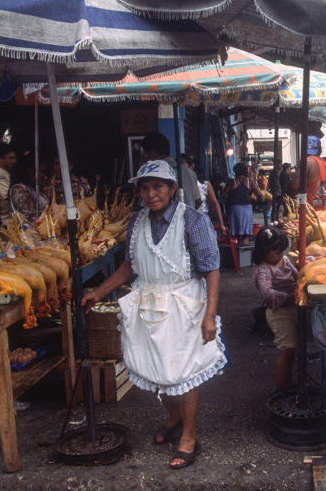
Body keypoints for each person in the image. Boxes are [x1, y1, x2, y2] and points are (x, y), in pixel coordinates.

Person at [81, 160, 226, 470]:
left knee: (184, 374)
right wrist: (99, 292)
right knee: (158, 370)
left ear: (172, 189)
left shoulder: (193, 221)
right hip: (148, 305)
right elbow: (130, 265)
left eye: (158, 186)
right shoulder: (136, 222)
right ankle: (173, 418)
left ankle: (189, 436)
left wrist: (210, 315)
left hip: (184, 305)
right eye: (145, 188)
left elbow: (212, 269)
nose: (151, 194)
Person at [251, 227, 298, 391]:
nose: (281, 255)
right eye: (277, 252)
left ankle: (289, 381)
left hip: (292, 308)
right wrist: (289, 297)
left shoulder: (284, 259)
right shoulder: (263, 269)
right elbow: (267, 292)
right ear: (263, 251)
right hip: (279, 312)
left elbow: (295, 274)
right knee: (286, 349)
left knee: (292, 349)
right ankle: (281, 387)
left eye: (282, 251)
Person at [141, 133, 201, 210]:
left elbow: (149, 206)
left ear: (152, 153)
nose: (146, 159)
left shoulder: (155, 175)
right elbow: (198, 201)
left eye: (145, 155)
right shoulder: (190, 172)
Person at [223, 163, 264, 245]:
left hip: (235, 209)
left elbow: (223, 194)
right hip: (246, 209)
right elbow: (260, 194)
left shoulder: (232, 181)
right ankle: (244, 254)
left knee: (235, 233)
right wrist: (258, 202)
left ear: (236, 171)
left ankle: (235, 253)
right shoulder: (250, 182)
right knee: (246, 234)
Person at [287, 136, 326, 210]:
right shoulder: (324, 164)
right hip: (322, 210)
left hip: (307, 212)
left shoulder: (306, 162)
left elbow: (294, 185)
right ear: (320, 150)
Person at [195, 166, 226, 236]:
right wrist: (221, 225)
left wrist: (221, 225)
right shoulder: (206, 183)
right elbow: (215, 204)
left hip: (199, 217)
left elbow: (214, 204)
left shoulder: (204, 183)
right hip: (203, 217)